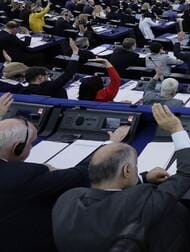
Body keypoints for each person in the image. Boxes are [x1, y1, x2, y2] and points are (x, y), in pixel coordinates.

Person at [52, 104, 190, 252]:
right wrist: (176, 128)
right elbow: (187, 174)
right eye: (135, 166)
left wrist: (143, 178)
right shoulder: (141, 203)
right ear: (127, 170)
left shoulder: (66, 199)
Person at [0, 96, 130, 252]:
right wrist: (111, 144)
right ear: (17, 148)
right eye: (30, 144)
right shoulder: (27, 177)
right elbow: (81, 174)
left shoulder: (25, 174)